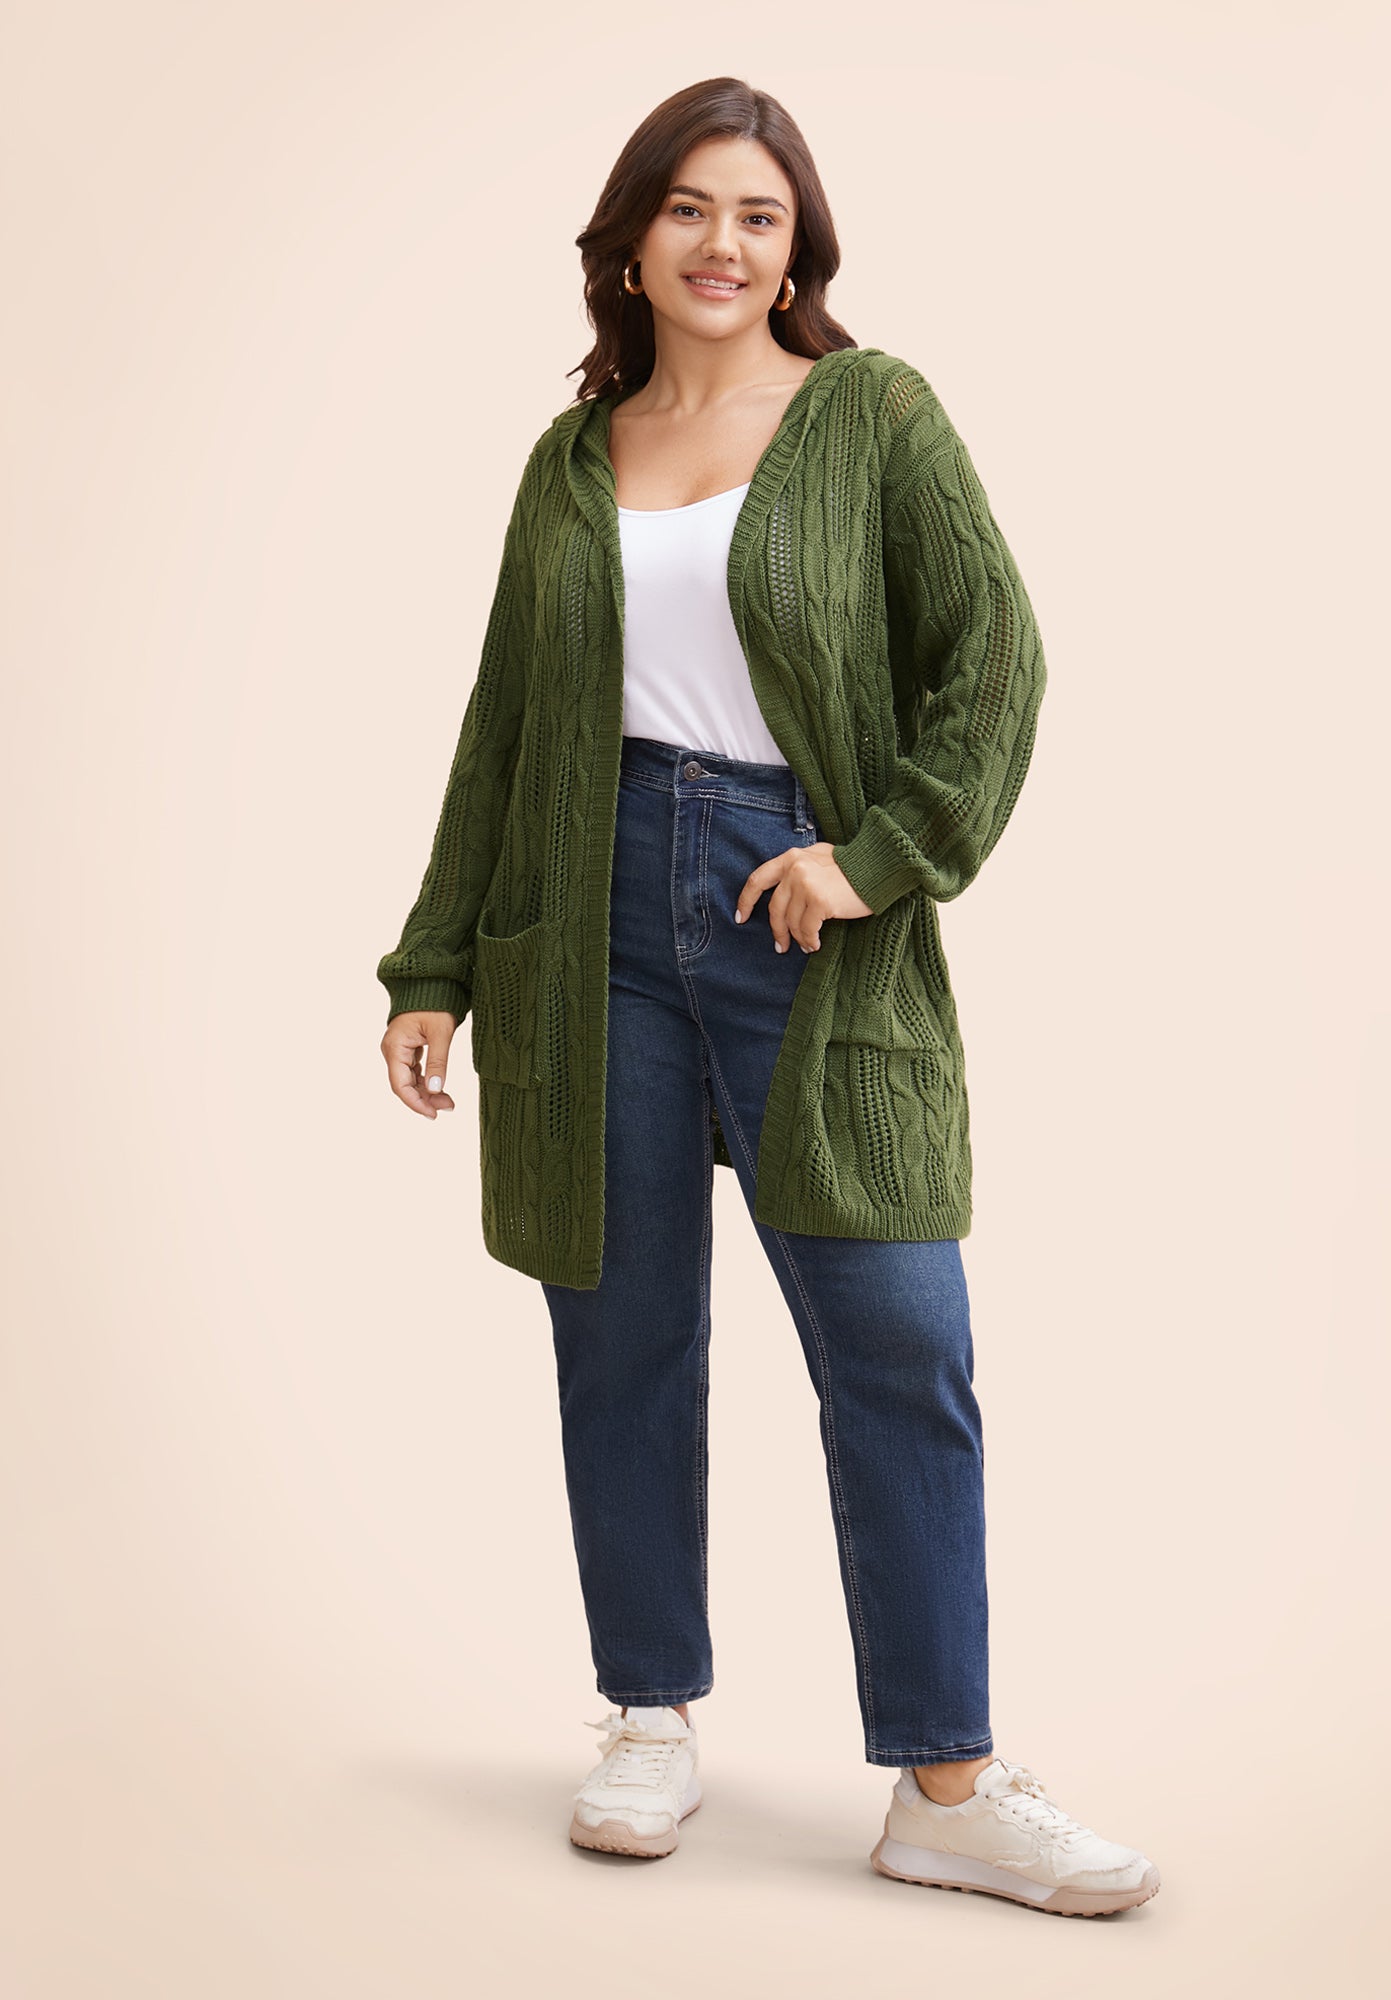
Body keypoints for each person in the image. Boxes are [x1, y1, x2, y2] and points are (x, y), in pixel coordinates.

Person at [376, 77, 1160, 1917]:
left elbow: (997, 661)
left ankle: (946, 1782)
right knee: (621, 1332)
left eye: (759, 214)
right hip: (585, 916)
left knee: (900, 1342)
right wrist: (436, 964)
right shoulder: (573, 458)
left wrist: (876, 857)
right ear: (631, 240)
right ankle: (648, 1715)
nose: (722, 245)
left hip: (797, 907)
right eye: (689, 209)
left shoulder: (873, 417)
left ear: (799, 246)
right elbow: (505, 726)